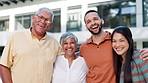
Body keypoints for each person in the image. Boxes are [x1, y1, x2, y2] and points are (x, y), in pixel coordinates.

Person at [80, 10, 148, 83]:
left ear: (102, 21)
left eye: (95, 19)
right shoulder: (83, 48)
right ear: (86, 26)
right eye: (89, 21)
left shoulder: (114, 40)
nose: (93, 23)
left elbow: (130, 51)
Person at [0, 7, 62, 83]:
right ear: (33, 18)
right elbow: (4, 65)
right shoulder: (15, 38)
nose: (43, 21)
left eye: (47, 20)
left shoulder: (55, 44)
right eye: (40, 17)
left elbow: (68, 59)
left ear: (50, 25)